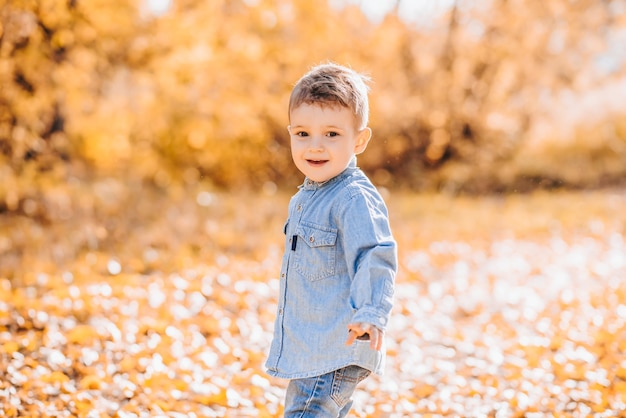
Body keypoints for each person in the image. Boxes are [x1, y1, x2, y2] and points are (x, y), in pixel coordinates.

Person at [265, 62, 398, 417]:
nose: (316, 146)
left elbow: (374, 253)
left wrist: (372, 311)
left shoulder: (353, 198)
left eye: (332, 135)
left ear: (360, 139)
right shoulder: (306, 197)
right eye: (303, 134)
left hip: (335, 348)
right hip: (311, 348)